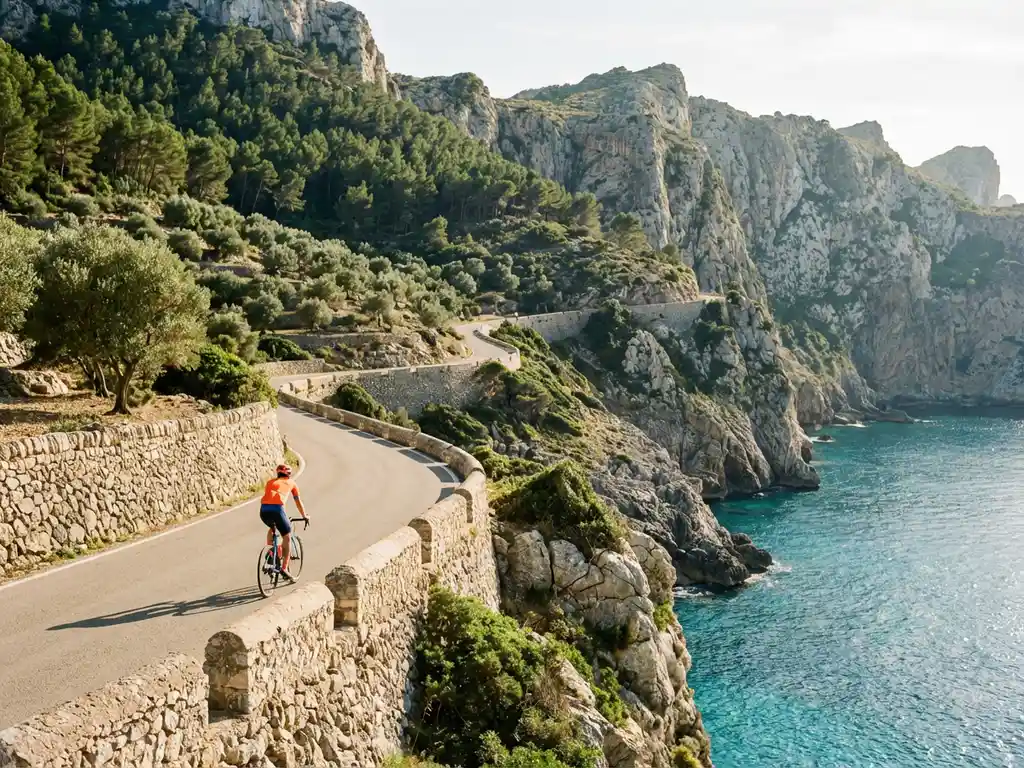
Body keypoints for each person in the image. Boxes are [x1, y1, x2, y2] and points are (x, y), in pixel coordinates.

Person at [260, 463, 308, 581]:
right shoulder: (292, 483)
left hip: (263, 510)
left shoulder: (270, 482)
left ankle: (272, 552)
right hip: (278, 510)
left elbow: (271, 497)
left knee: (272, 528)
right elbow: (298, 501)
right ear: (289, 474)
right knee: (286, 537)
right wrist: (304, 516)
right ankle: (284, 568)